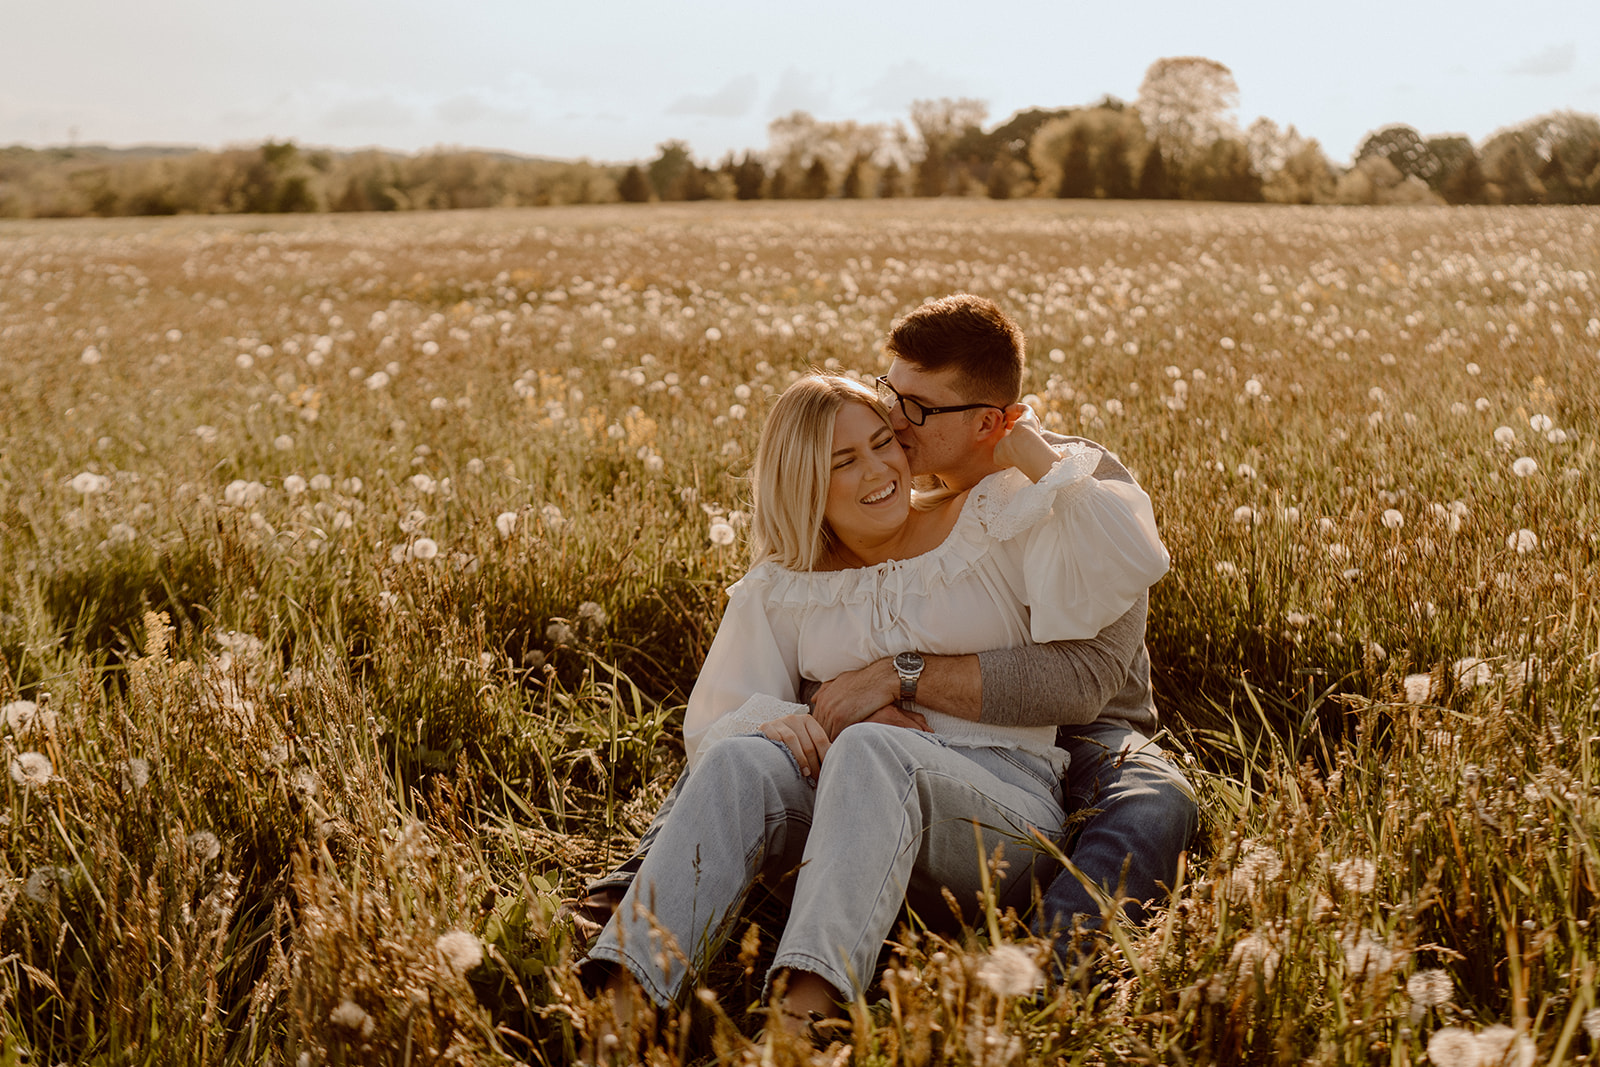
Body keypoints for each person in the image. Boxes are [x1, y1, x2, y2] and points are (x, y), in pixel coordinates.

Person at [574, 295, 1197, 972]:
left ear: (988, 420)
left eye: (916, 408)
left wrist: (894, 673)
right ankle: (633, 895)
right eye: (889, 392)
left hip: (1087, 727)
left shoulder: (1075, 487)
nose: (892, 422)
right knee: (751, 740)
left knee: (1156, 802)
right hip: (915, 738)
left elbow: (1081, 683)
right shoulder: (898, 498)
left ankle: (1050, 967)